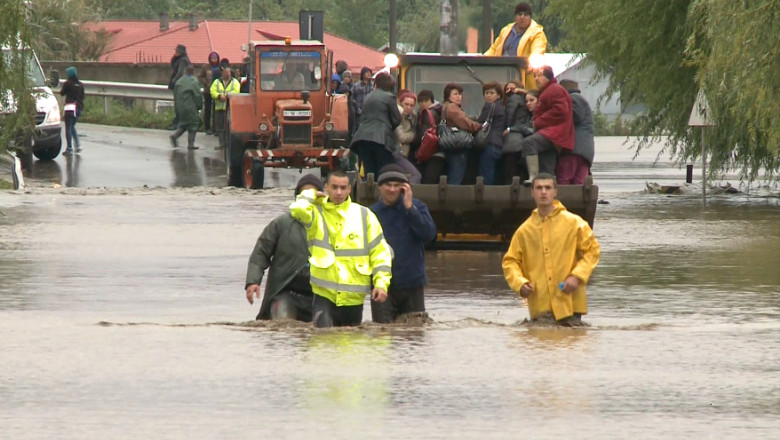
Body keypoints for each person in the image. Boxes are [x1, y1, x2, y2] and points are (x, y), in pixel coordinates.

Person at [290, 170, 393, 328]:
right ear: (326, 188)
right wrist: (309, 195)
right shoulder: (316, 213)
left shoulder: (365, 216)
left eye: (343, 188)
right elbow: (297, 210)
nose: (339, 192)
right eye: (335, 187)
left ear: (350, 189)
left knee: (351, 347)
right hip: (324, 295)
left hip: (354, 299)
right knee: (321, 343)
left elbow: (380, 253)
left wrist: (381, 284)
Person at [502, 173, 600, 326]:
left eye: (548, 188)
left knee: (571, 345)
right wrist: (520, 284)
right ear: (532, 193)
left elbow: (592, 251)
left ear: (555, 192)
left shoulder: (574, 223)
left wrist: (577, 276)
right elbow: (510, 262)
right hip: (540, 304)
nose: (543, 192)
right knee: (539, 345)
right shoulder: (524, 230)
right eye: (539, 188)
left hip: (569, 301)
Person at [245, 175, 324, 322]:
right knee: (283, 327)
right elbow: (260, 254)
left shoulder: (331, 224)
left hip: (320, 295)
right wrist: (252, 281)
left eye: (313, 194)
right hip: (285, 292)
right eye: (304, 195)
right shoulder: (281, 224)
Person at [369, 164, 437, 323]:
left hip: (412, 285)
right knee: (383, 335)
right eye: (388, 185)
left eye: (397, 185)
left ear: (404, 188)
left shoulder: (417, 207)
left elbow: (429, 234)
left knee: (414, 336)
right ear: (380, 187)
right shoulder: (371, 213)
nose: (392, 189)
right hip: (382, 287)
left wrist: (410, 208)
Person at [521, 66, 574, 181]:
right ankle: (549, 185)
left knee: (529, 143)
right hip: (552, 135)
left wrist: (537, 122)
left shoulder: (554, 89)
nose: (536, 79)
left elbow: (561, 110)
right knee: (547, 166)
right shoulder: (548, 90)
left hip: (554, 134)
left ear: (549, 77)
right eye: (535, 76)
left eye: (540, 75)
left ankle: (533, 177)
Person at [484, 2, 547, 90]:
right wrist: (483, 59)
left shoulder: (537, 33)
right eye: (519, 14)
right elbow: (494, 49)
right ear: (515, 17)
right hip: (502, 75)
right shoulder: (506, 30)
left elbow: (538, 49)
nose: (522, 17)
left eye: (526, 15)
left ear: (530, 17)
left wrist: (533, 62)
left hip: (524, 79)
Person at [350, 72, 401, 180]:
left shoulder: (368, 96)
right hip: (380, 139)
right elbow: (396, 120)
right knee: (384, 172)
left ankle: (369, 194)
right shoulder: (389, 97)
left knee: (369, 172)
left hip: (362, 138)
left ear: (376, 84)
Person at [441, 83, 482, 185]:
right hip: (458, 145)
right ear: (448, 96)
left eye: (460, 94)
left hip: (451, 144)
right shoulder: (453, 108)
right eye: (455, 94)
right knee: (456, 176)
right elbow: (466, 123)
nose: (459, 97)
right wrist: (479, 126)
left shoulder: (445, 106)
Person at [557, 79, 595, 185]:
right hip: (585, 152)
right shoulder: (581, 100)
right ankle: (578, 201)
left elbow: (573, 117)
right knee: (579, 183)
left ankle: (564, 201)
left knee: (563, 179)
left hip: (573, 149)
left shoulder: (573, 98)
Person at [502, 80, 533, 183]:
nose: (509, 91)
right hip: (524, 140)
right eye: (507, 89)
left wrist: (507, 128)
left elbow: (509, 117)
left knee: (509, 175)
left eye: (512, 88)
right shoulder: (527, 100)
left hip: (512, 141)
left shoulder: (513, 99)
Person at [476, 82, 507, 185]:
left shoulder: (489, 106)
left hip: (488, 143)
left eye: (492, 93)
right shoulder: (502, 107)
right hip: (498, 145)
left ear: (499, 95)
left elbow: (479, 123)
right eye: (486, 93)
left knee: (485, 176)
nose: (488, 95)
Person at [414, 90, 445, 184]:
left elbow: (422, 134)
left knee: (426, 182)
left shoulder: (428, 114)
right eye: (420, 101)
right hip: (439, 151)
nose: (423, 104)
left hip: (429, 152)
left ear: (431, 101)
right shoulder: (440, 110)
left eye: (426, 101)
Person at [169, 65, 203, 150]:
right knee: (193, 123)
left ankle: (175, 136)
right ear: (193, 72)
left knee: (183, 123)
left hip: (180, 106)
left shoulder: (179, 82)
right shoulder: (193, 81)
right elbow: (197, 95)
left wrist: (177, 107)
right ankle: (190, 144)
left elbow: (175, 95)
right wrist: (199, 106)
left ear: (185, 71)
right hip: (190, 106)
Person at [210, 67, 241, 150]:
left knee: (228, 127)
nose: (228, 74)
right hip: (219, 108)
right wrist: (219, 96)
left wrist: (227, 96)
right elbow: (212, 91)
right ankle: (221, 144)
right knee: (220, 127)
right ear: (222, 73)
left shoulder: (235, 82)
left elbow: (236, 91)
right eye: (226, 72)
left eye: (229, 72)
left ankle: (228, 144)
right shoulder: (216, 82)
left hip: (230, 108)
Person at [59, 66, 84, 155]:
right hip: (79, 108)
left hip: (70, 108)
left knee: (68, 127)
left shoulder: (67, 83)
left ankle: (69, 148)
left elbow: (62, 93)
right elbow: (82, 96)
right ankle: (78, 145)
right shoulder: (81, 84)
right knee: (72, 126)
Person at [168, 44, 191, 130]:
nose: (175, 52)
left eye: (177, 51)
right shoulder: (181, 60)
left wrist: (174, 82)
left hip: (180, 86)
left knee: (179, 106)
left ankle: (178, 124)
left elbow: (180, 73)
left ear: (181, 53)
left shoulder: (182, 61)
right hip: (183, 86)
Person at [198, 51, 220, 135]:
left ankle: (216, 128)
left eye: (215, 58)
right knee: (208, 109)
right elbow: (200, 77)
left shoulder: (219, 67)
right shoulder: (206, 67)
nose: (214, 60)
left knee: (216, 110)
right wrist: (206, 83)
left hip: (217, 92)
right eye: (212, 58)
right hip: (207, 91)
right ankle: (207, 128)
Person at [395, 89, 417, 158]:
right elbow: (401, 137)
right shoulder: (397, 115)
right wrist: (414, 135)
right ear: (401, 103)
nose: (408, 107)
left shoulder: (414, 116)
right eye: (406, 104)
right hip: (399, 152)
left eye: (411, 105)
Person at [350, 67, 373, 133]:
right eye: (367, 72)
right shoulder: (356, 85)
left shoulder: (373, 85)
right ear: (362, 74)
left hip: (370, 113)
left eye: (370, 72)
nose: (369, 74)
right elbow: (352, 98)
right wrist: (357, 108)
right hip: (358, 113)